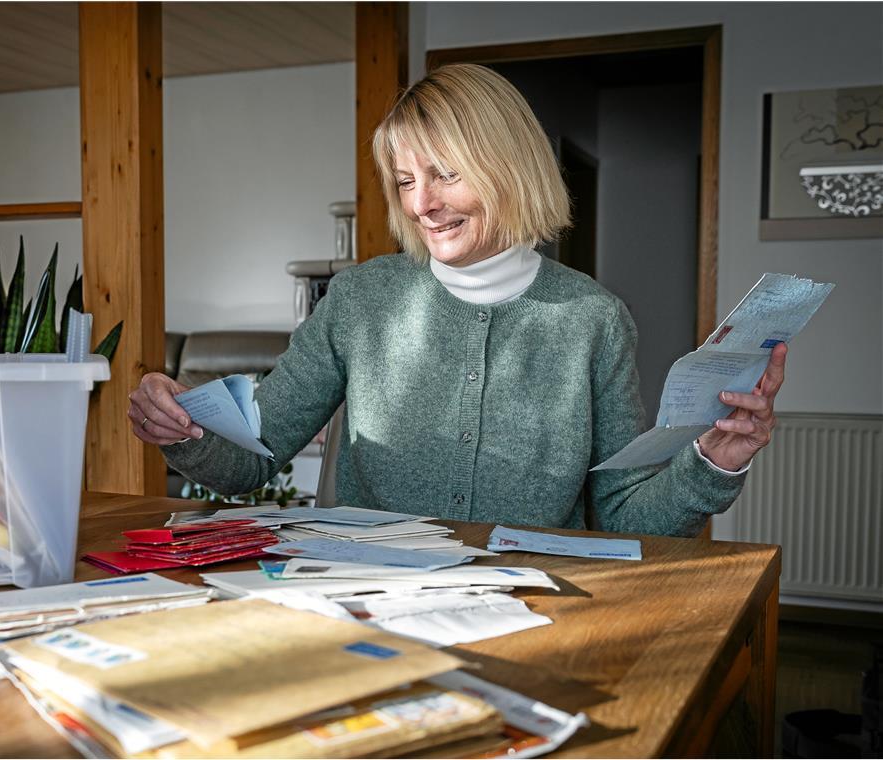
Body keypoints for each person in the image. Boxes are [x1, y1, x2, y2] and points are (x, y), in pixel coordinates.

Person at [128, 64, 786, 537]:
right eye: (406, 180)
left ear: (509, 169)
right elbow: (253, 456)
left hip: (527, 609)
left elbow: (619, 515)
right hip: (376, 601)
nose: (421, 204)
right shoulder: (361, 299)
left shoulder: (593, 319)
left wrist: (713, 462)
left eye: (445, 174)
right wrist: (183, 429)